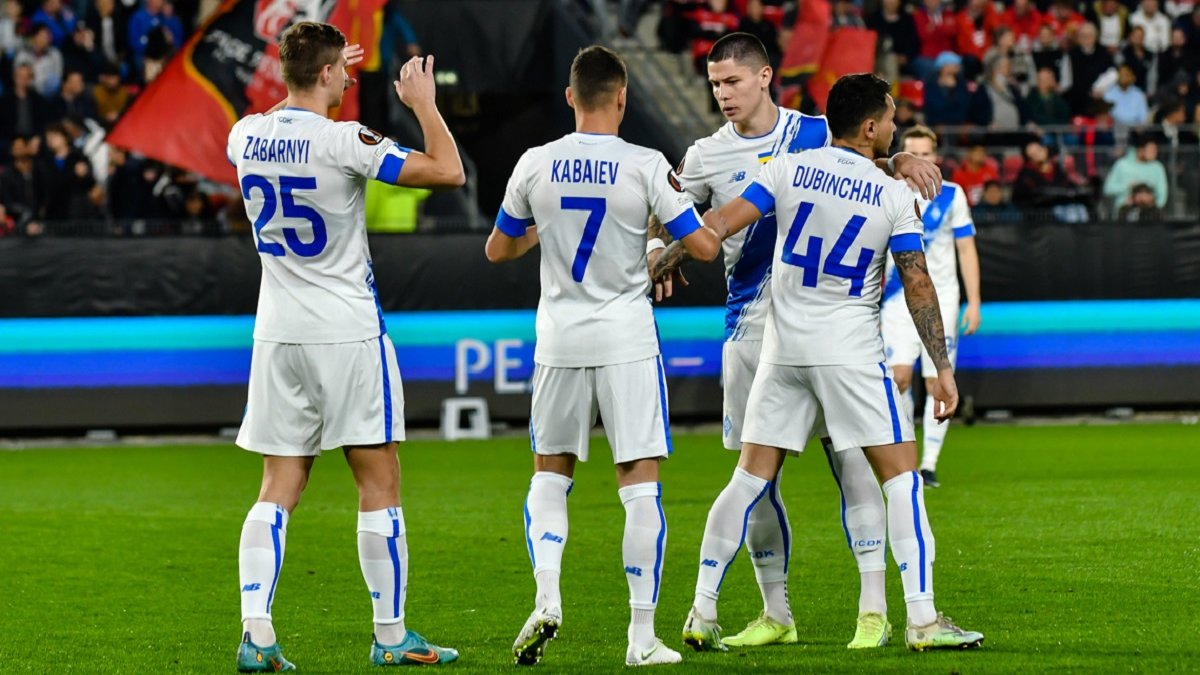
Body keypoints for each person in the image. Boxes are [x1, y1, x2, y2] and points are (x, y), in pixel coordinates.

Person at [648, 31, 944, 652]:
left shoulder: (801, 144)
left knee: (807, 471)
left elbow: (716, 222)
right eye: (714, 84)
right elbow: (669, 208)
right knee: (820, 477)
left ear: (764, 77)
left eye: (732, 80)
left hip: (785, 337)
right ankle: (787, 611)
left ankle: (858, 609)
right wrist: (658, 247)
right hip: (776, 338)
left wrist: (899, 158)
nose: (722, 93)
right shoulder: (705, 154)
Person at [226, 21, 465, 672]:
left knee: (277, 485)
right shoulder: (344, 140)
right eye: (342, 72)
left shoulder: (245, 135)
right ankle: (391, 636)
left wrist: (316, 69)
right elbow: (448, 171)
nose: (349, 80)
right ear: (330, 73)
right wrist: (424, 105)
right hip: (347, 332)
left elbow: (284, 113)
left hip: (277, 334)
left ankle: (257, 634)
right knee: (379, 481)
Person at [486, 45, 721, 668]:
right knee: (639, 485)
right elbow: (702, 246)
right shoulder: (645, 164)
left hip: (559, 339)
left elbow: (497, 250)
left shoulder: (535, 162)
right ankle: (641, 637)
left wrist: (543, 230)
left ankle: (547, 597)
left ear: (571, 97)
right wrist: (659, 243)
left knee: (549, 474)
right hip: (626, 340)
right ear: (622, 97)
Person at [879, 126, 982, 488]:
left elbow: (966, 249)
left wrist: (974, 300)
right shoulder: (887, 191)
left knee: (936, 380)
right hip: (897, 298)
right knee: (899, 379)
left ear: (935, 157)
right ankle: (905, 459)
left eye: (925, 154)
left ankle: (929, 465)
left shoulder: (951, 195)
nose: (919, 160)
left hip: (943, 299)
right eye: (913, 153)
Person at [1102, 134, 1168, 212]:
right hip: (1124, 213)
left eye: (1155, 150)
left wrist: (1153, 208)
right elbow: (1108, 189)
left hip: (1149, 214)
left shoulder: (1157, 167)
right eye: (1151, 150)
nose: (1155, 153)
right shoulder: (1122, 165)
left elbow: (1162, 195)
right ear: (1140, 150)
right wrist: (1128, 186)